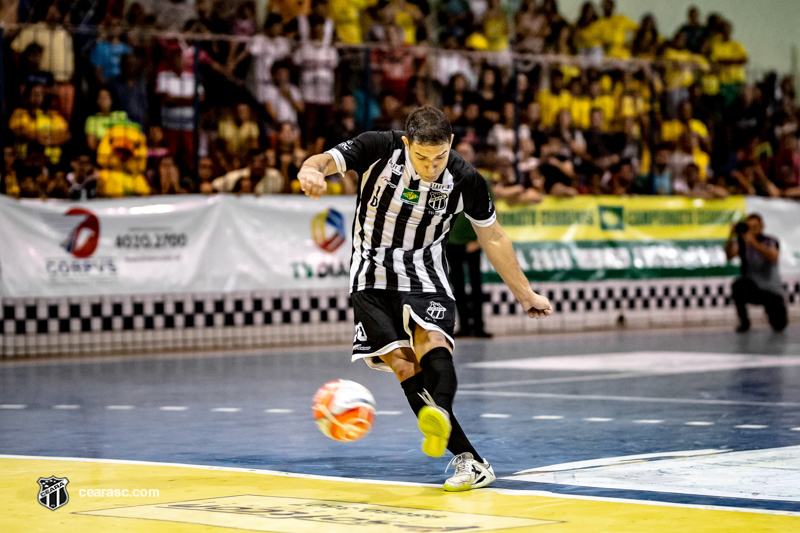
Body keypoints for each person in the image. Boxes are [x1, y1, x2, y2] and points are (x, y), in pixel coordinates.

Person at [297, 106, 553, 491]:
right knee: (403, 365)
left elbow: (494, 236)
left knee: (432, 342)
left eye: (439, 157)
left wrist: (524, 293)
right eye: (421, 157)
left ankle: (440, 418)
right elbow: (324, 161)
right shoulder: (377, 147)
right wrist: (310, 171)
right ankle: (472, 459)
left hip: (425, 271)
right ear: (406, 144)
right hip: (370, 273)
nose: (431, 166)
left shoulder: (465, 177)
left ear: (450, 144)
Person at [724, 214, 787, 333]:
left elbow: (773, 257)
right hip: (754, 288)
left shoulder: (770, 241)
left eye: (755, 226)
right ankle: (744, 321)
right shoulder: (743, 244)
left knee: (779, 325)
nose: (753, 229)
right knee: (737, 285)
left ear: (762, 226)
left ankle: (773, 312)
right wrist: (731, 235)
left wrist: (753, 242)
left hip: (771, 290)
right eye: (750, 227)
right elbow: (729, 255)